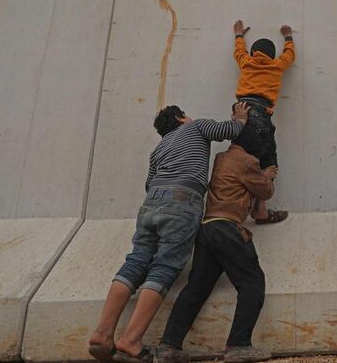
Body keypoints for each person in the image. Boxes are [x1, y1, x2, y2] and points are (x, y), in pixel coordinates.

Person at [88, 103, 248, 363]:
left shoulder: (158, 149)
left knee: (135, 262)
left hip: (151, 202)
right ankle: (130, 341)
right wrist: (240, 118)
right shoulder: (196, 126)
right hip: (182, 199)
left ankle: (102, 335)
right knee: (164, 267)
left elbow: (149, 183)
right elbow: (228, 130)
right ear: (180, 118)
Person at [156, 125, 277, 363]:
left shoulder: (222, 158)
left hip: (208, 227)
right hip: (228, 228)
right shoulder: (247, 162)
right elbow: (265, 192)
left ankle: (169, 346)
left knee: (196, 288)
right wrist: (267, 176)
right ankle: (238, 345)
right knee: (252, 283)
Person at [233, 19, 295, 225]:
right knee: (267, 162)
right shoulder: (276, 65)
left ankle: (236, 207)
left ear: (253, 53)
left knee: (240, 159)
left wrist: (239, 34)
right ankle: (261, 209)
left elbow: (238, 51)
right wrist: (288, 36)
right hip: (260, 113)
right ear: (272, 55)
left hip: (240, 111)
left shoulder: (246, 62)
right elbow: (289, 56)